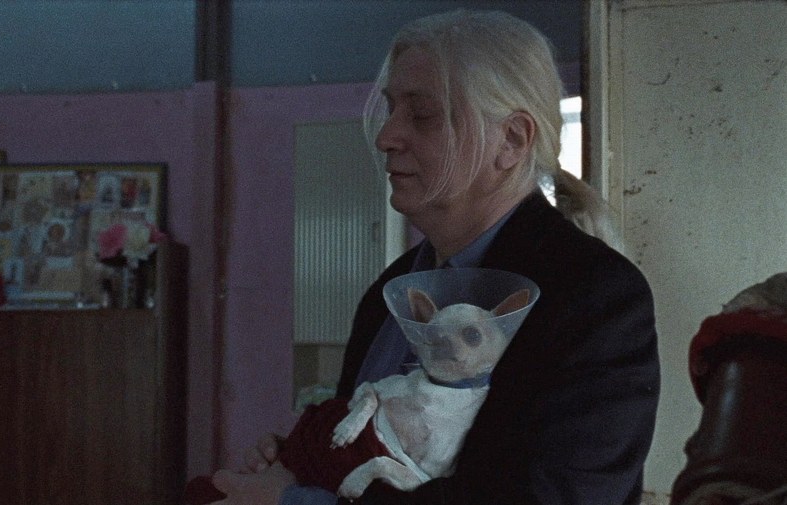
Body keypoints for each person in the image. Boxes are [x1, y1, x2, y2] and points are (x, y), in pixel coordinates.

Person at [211, 8, 660, 505]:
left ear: (512, 139)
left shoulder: (594, 296)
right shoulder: (391, 293)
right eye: (391, 109)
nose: (386, 137)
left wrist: (297, 502)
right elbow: (373, 456)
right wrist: (302, 461)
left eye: (422, 115)